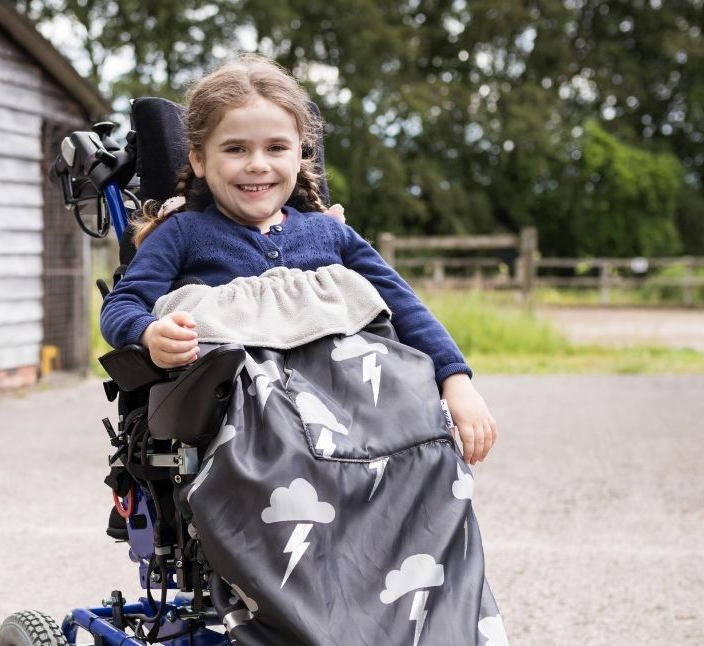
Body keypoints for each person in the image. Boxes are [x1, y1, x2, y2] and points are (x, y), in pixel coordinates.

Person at [100, 55, 498, 464]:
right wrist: (149, 333)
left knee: (429, 454)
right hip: (247, 436)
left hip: (357, 418)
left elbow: (404, 305)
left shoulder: (329, 233)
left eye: (276, 148)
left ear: (298, 155)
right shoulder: (181, 234)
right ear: (199, 159)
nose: (258, 164)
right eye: (235, 148)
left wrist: (456, 381)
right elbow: (122, 304)